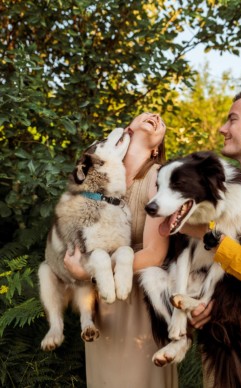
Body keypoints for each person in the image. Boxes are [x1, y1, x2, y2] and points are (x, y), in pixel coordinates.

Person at [64, 113, 178, 388]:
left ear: (156, 148)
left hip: (140, 302)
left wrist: (88, 271)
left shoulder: (158, 177)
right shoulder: (94, 180)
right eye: (147, 114)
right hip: (102, 307)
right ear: (126, 132)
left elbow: (154, 253)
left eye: (161, 120)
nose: (156, 115)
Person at [180, 89, 241, 386]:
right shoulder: (230, 192)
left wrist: (211, 237)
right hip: (227, 345)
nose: (222, 128)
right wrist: (215, 300)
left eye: (232, 119)